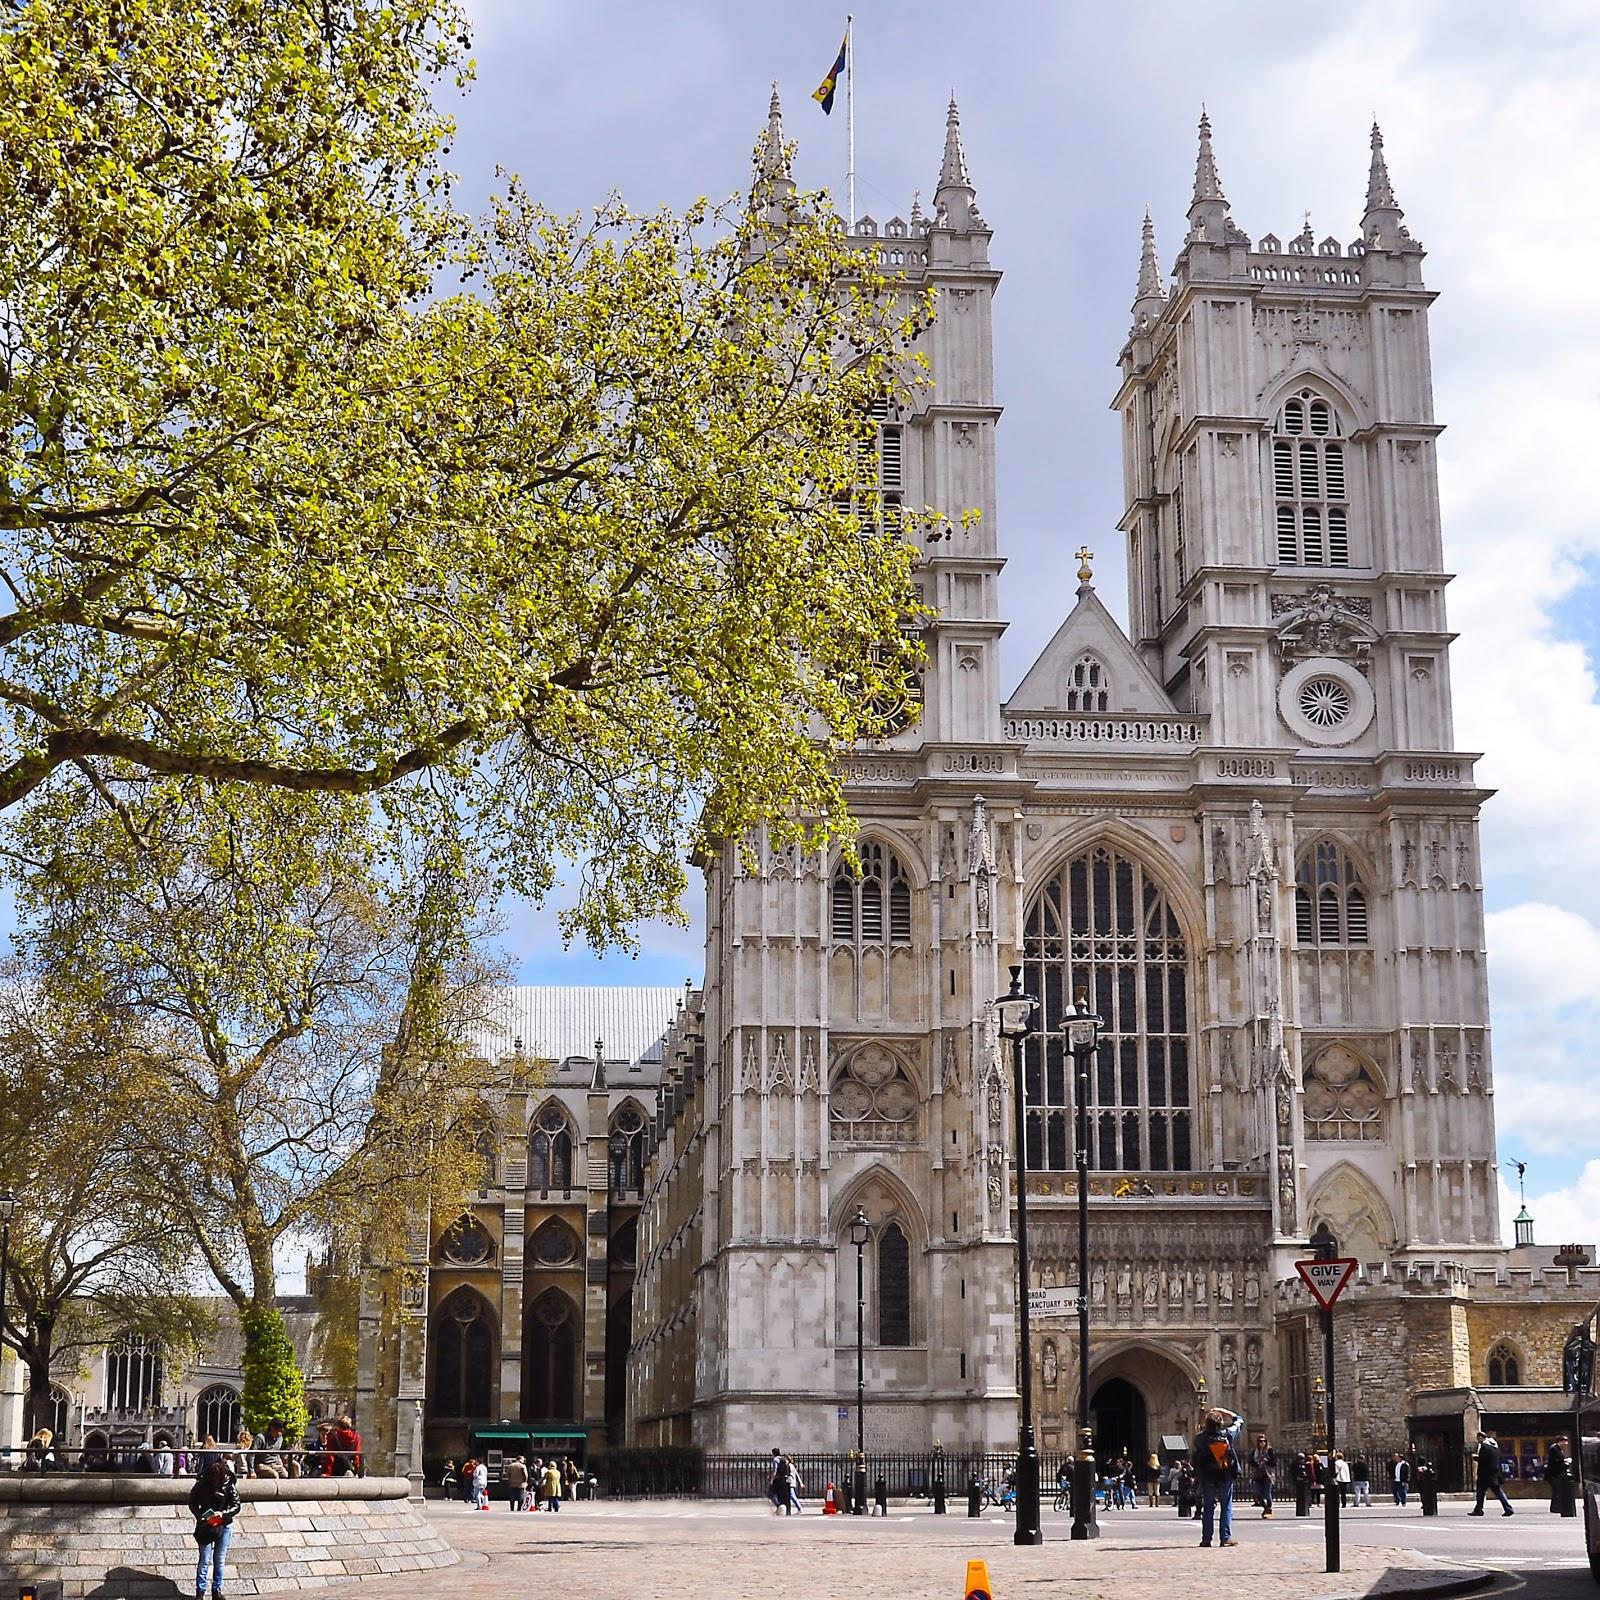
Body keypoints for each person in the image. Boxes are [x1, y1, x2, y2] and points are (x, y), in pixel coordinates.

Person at [189, 1458, 241, 1600]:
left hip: (223, 1523)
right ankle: (200, 1591)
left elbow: (236, 1505)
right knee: (204, 1559)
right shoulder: (201, 1484)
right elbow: (192, 1502)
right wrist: (200, 1516)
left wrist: (223, 1513)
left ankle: (216, 1590)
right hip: (207, 1523)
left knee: (219, 1559)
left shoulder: (229, 1484)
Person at [1192, 1405, 1243, 1548]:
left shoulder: (1200, 1438)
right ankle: (1225, 1537)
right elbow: (1239, 1421)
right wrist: (1225, 1412)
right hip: (1225, 1474)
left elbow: (1196, 1453)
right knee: (1226, 1506)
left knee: (1208, 1507)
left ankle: (1206, 1538)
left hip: (1208, 1476)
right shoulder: (1227, 1435)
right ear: (1220, 1423)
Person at [1470, 1431, 1513, 1516]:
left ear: (1482, 1437)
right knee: (1497, 1492)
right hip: (1494, 1473)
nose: (1478, 1440)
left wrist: (1475, 1458)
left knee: (1481, 1492)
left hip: (1485, 1474)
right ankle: (1508, 1508)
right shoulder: (1495, 1447)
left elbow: (1483, 1460)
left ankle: (1479, 1509)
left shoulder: (1484, 1447)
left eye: (1478, 1438)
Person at [1548, 1436, 1577, 1517]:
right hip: (1555, 1474)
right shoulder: (1554, 1449)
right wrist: (1564, 1460)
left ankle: (1557, 1507)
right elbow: (1554, 1461)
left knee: (1558, 1491)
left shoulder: (1558, 1449)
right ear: (1559, 1441)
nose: (1566, 1444)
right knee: (1556, 1491)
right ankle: (1556, 1507)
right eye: (1564, 1441)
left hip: (1559, 1474)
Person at [1249, 1433, 1276, 1518]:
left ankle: (1269, 1508)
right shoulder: (1255, 1451)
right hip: (1258, 1474)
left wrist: (1266, 1461)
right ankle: (1266, 1508)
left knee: (1267, 1493)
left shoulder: (1269, 1450)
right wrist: (1256, 1464)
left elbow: (1273, 1462)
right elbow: (1250, 1461)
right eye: (1260, 1441)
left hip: (1267, 1474)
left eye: (1264, 1441)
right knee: (1257, 1493)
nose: (1262, 1443)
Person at [768, 1447, 791, 1515]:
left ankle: (778, 1506)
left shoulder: (775, 1459)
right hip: (783, 1480)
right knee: (781, 1495)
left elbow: (775, 1470)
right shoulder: (782, 1459)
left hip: (777, 1480)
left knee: (770, 1494)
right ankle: (782, 1508)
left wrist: (772, 1479)